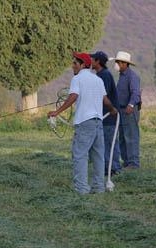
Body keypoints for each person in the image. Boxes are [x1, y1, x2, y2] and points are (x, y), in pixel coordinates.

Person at [48, 52, 117, 194]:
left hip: (85, 123)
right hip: (98, 123)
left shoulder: (77, 79)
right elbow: (105, 100)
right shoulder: (98, 80)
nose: (72, 66)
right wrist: (112, 110)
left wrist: (57, 112)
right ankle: (98, 188)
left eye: (75, 63)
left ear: (83, 65)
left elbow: (73, 96)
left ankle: (82, 189)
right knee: (98, 157)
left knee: (80, 155)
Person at [90, 51, 122, 176]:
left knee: (110, 143)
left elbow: (104, 97)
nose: (90, 61)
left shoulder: (105, 75)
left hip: (109, 117)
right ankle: (106, 167)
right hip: (102, 116)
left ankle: (113, 168)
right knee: (104, 144)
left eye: (92, 59)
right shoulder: (99, 75)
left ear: (98, 61)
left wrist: (111, 109)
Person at [110, 51, 141, 169]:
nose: (116, 64)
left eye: (118, 62)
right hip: (121, 110)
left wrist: (131, 105)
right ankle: (127, 161)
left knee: (131, 137)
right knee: (122, 137)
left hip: (129, 110)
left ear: (124, 63)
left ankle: (133, 163)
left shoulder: (132, 76)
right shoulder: (122, 76)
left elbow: (135, 93)